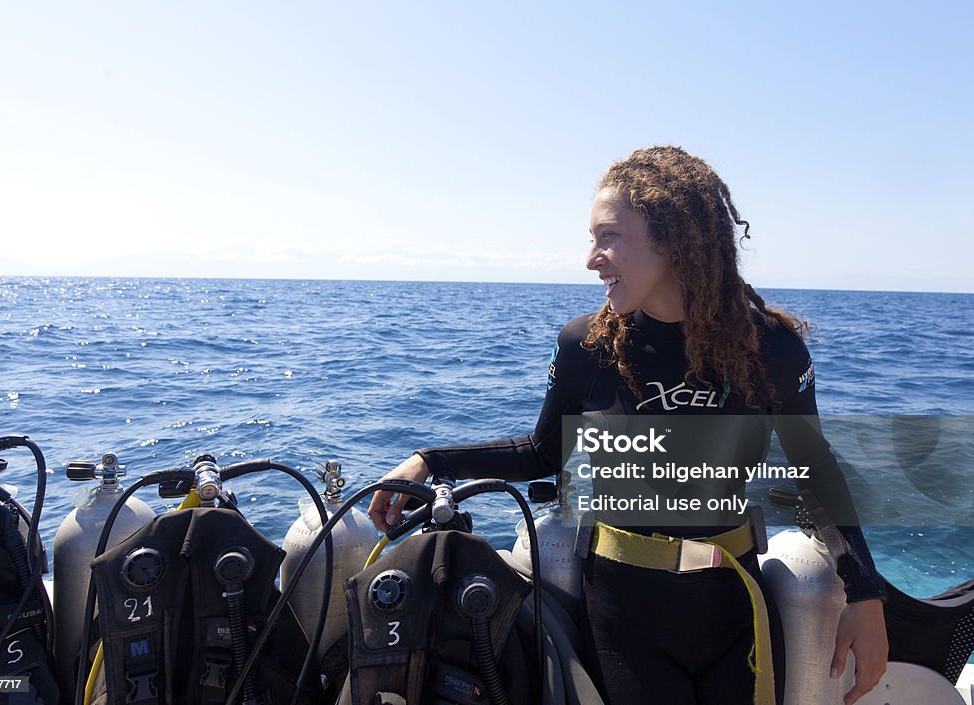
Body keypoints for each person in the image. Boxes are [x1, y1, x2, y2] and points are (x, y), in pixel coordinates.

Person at [367, 146, 888, 705]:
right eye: (592, 239)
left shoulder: (771, 350)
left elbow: (815, 469)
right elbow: (541, 453)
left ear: (675, 237)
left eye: (608, 236)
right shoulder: (586, 346)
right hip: (624, 615)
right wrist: (431, 460)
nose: (592, 258)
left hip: (735, 607)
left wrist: (865, 595)